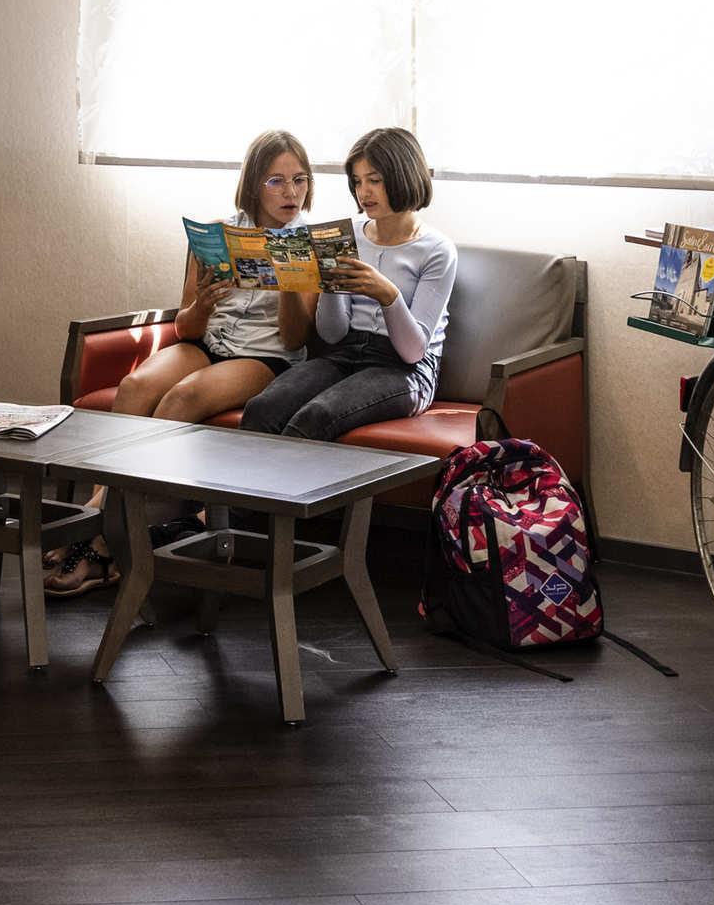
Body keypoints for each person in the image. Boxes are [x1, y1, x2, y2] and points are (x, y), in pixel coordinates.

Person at [44, 128, 315, 596]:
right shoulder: (214, 235)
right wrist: (204, 304)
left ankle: (100, 540)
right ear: (254, 185)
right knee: (134, 387)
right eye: (276, 181)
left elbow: (294, 338)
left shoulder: (305, 245)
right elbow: (187, 328)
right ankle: (100, 517)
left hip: (267, 357)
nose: (291, 191)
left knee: (183, 397)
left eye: (300, 179)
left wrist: (289, 284)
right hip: (208, 343)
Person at [241, 126, 456, 443]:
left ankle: (280, 478)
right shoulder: (348, 233)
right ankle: (242, 479)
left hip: (406, 370)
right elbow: (332, 334)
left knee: (315, 418)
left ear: (403, 176)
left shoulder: (437, 250)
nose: (363, 192)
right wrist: (332, 284)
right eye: (357, 182)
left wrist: (387, 295)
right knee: (262, 409)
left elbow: (413, 352)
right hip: (343, 354)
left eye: (374, 180)